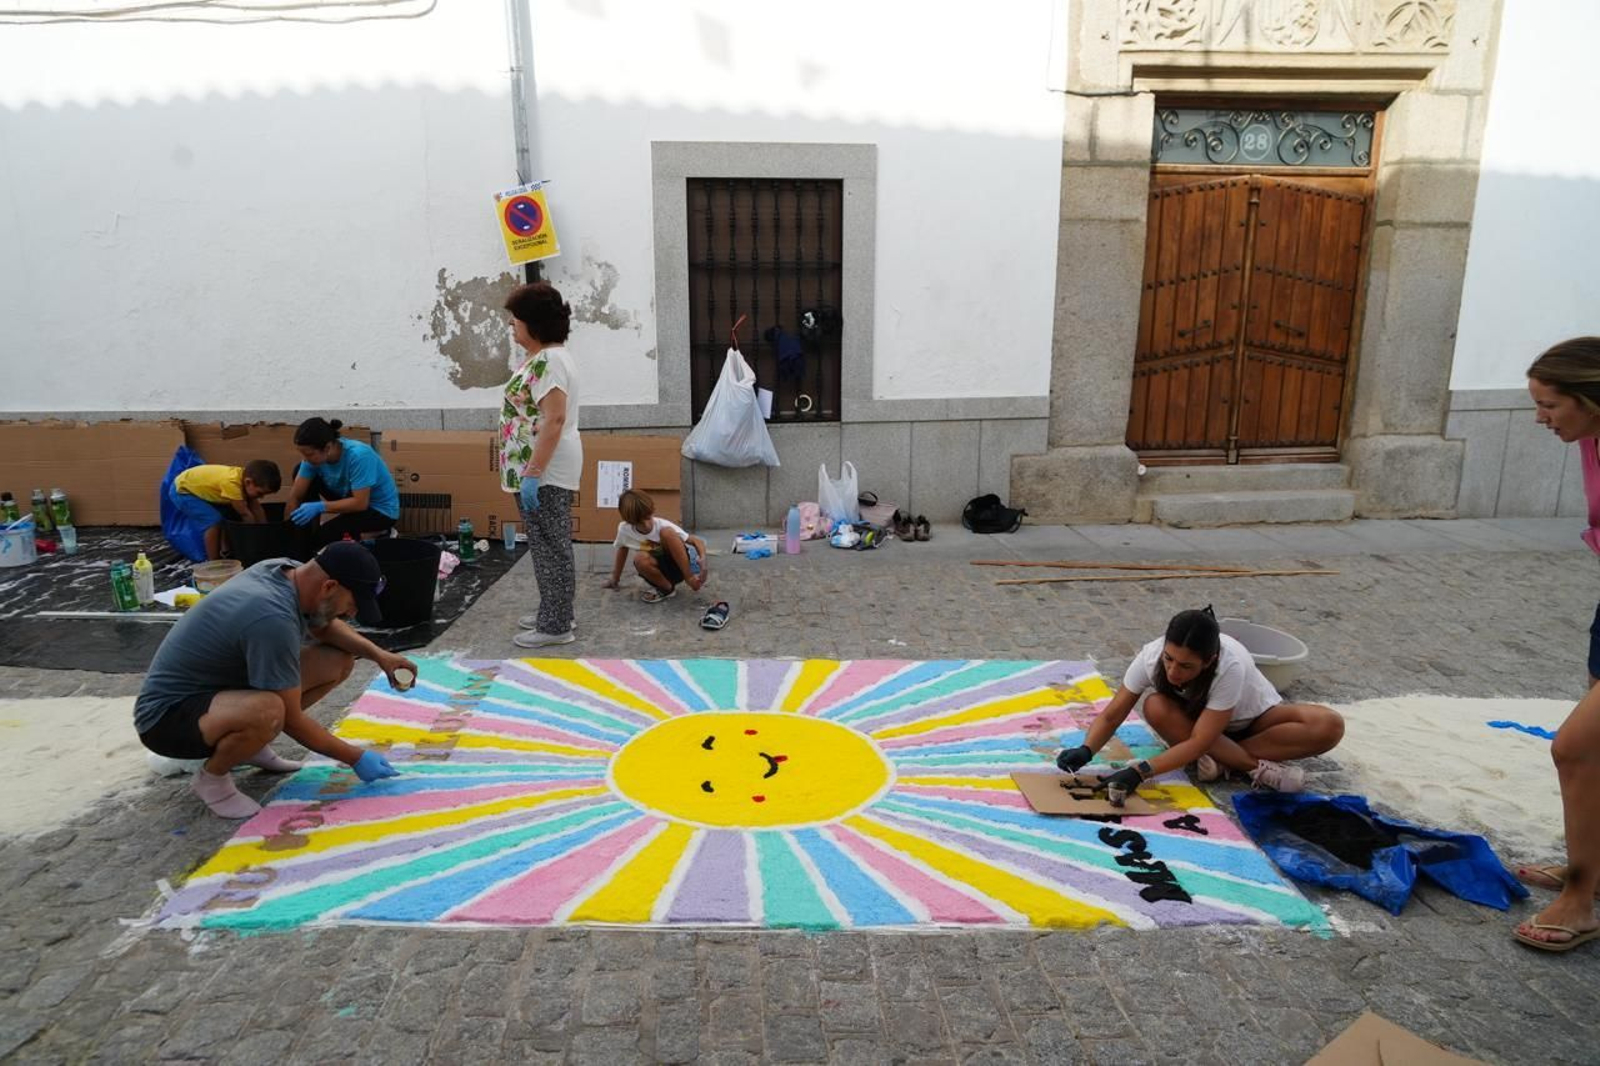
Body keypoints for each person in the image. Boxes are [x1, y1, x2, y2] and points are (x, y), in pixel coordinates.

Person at [133, 541, 414, 818]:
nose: (351, 613)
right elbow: (290, 718)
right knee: (270, 710)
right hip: (166, 719)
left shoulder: (287, 571)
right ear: (329, 587)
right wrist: (355, 757)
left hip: (217, 694)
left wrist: (380, 656)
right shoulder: (270, 618)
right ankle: (212, 779)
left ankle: (248, 746)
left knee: (337, 661)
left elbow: (323, 626)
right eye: (352, 604)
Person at [1057, 607, 1343, 797]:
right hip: (1194, 728)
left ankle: (1233, 764)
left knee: (1328, 725)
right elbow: (1112, 715)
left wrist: (1140, 771)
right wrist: (1087, 749)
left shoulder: (1229, 666)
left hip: (1252, 723)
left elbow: (1200, 742)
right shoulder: (1151, 656)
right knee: (1155, 705)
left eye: (1186, 666)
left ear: (1210, 661)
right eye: (1169, 659)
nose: (1172, 672)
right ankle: (1249, 765)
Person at [1512, 336, 1600, 952]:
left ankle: (1580, 900)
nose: (1541, 418)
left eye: (1550, 405)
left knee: (1574, 750)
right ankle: (1590, 869)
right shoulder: (1590, 439)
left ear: (1590, 399)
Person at [501, 281, 583, 649]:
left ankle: (556, 625)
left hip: (544, 470)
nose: (512, 327)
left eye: (516, 320)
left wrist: (533, 473)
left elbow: (553, 419)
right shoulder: (546, 359)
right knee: (546, 542)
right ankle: (555, 608)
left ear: (533, 325)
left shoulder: (549, 361)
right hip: (539, 468)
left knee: (550, 544)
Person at [285, 417, 401, 546]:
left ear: (327, 447)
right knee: (298, 471)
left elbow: (360, 503)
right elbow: (295, 497)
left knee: (325, 538)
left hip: (377, 509)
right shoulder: (312, 460)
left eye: (309, 454)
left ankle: (378, 533)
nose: (305, 459)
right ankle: (312, 533)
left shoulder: (359, 456)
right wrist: (287, 531)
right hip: (348, 496)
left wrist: (321, 507)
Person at [605, 488, 709, 602]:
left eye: (648, 517)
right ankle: (666, 588)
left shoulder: (661, 525)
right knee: (639, 558)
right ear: (630, 521)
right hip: (658, 570)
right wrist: (615, 578)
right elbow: (622, 549)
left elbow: (696, 541)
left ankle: (689, 578)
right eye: (640, 522)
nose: (646, 524)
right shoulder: (624, 529)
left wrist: (702, 559)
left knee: (667, 533)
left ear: (652, 511)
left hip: (679, 566)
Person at [169, 459, 281, 560]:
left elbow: (257, 508)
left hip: (199, 487)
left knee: (227, 513)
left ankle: (226, 550)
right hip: (183, 491)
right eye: (260, 493)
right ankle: (214, 561)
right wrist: (253, 539)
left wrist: (266, 533)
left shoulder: (246, 480)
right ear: (248, 482)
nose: (261, 497)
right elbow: (245, 514)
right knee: (214, 520)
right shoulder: (232, 484)